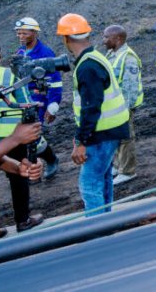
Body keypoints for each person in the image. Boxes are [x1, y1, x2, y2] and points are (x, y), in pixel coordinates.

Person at [58, 14, 130, 216]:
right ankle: (105, 223)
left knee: (89, 183)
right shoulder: (95, 57)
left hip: (101, 133)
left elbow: (91, 108)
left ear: (66, 38)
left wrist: (81, 141)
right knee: (103, 178)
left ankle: (97, 228)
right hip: (111, 130)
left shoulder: (87, 66)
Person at [0, 40, 44, 233]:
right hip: (14, 134)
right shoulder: (8, 74)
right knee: (18, 182)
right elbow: (26, 103)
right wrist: (17, 137)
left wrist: (16, 166)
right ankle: (23, 220)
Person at [13, 17, 60, 179]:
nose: (20, 36)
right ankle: (34, 167)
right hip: (23, 100)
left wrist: (53, 105)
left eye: (24, 33)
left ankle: (51, 160)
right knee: (27, 136)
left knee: (33, 135)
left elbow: (55, 81)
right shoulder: (20, 52)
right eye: (18, 33)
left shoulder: (45, 53)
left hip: (39, 100)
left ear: (34, 33)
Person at [103, 26, 142, 186]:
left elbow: (130, 87)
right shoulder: (111, 54)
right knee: (116, 136)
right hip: (114, 106)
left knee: (126, 138)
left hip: (123, 107)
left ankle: (127, 171)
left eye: (107, 37)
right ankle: (118, 165)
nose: (104, 40)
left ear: (118, 39)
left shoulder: (128, 57)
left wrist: (125, 110)